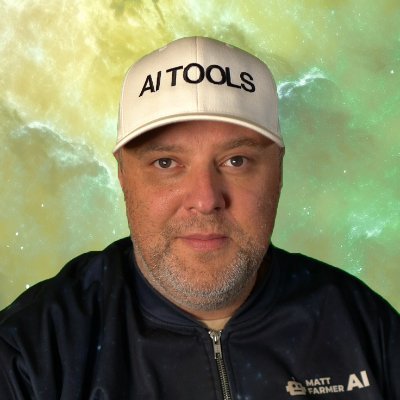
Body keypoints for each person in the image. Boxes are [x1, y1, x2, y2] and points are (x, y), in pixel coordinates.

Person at [0, 36, 398, 400]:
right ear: (123, 174)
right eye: (166, 163)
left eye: (236, 160)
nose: (206, 200)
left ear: (278, 171)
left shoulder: (365, 327)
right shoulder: (30, 355)